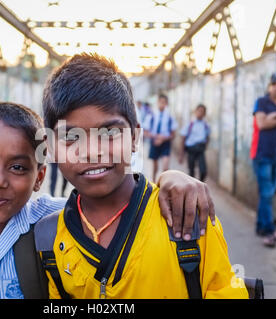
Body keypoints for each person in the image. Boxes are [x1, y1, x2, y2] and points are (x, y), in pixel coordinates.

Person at [0, 102, 217, 299]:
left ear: (40, 177)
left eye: (18, 167)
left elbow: (117, 202)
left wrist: (170, 179)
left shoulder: (58, 223)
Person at [41, 53, 247, 299]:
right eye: (71, 137)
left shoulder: (187, 217)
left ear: (136, 137)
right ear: (51, 147)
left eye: (109, 132)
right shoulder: (48, 237)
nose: (92, 152)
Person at [250, 72, 276, 248]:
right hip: (261, 154)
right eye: (273, 83)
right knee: (267, 194)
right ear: (270, 86)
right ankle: (268, 232)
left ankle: (260, 226)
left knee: (268, 193)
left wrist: (273, 116)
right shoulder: (261, 101)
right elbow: (262, 124)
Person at [148, 94, 178, 181]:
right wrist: (156, 137)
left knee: (165, 167)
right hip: (154, 142)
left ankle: (164, 184)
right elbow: (146, 131)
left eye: (164, 103)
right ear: (157, 102)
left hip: (165, 143)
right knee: (155, 166)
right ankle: (153, 182)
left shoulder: (170, 117)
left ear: (167, 104)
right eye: (161, 102)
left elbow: (173, 134)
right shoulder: (152, 115)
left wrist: (163, 139)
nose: (162, 104)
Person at [179, 104, 210, 181]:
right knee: (191, 171)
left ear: (204, 114)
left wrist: (205, 146)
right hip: (191, 149)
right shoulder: (190, 124)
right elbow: (183, 138)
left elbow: (208, 136)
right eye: (199, 111)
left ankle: (200, 184)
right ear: (195, 112)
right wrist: (181, 154)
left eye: (202, 112)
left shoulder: (206, 125)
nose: (200, 113)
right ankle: (192, 188)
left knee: (203, 171)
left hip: (200, 149)